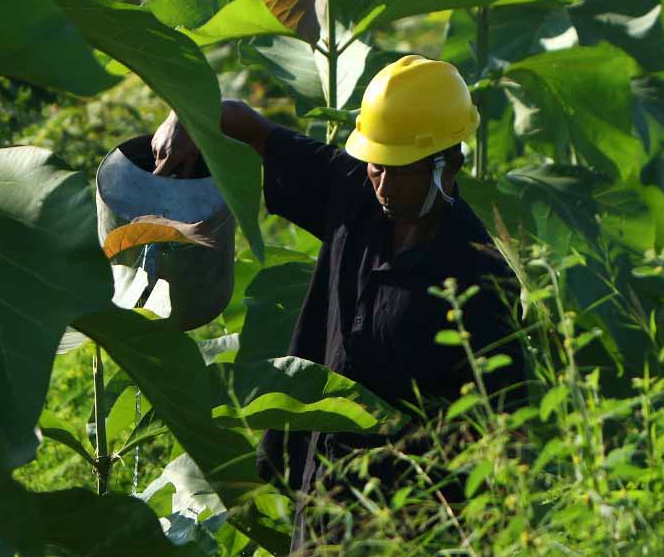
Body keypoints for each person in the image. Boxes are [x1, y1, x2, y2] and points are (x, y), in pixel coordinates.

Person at [152, 54, 529, 555]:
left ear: (450, 164)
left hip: (406, 523)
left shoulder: (479, 278)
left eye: (402, 173)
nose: (385, 187)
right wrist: (187, 114)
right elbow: (253, 127)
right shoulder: (356, 195)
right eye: (376, 168)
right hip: (319, 494)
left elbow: (506, 435)